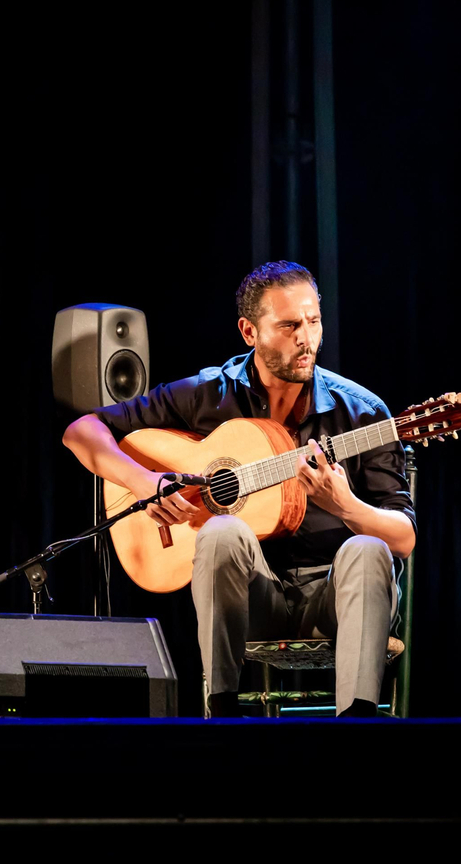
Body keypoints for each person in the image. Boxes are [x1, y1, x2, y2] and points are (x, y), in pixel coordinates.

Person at [62, 261, 414, 718]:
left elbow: (403, 537)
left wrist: (345, 505)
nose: (306, 339)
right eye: (288, 325)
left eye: (313, 321)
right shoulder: (210, 395)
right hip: (250, 601)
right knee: (220, 532)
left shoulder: (364, 412)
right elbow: (83, 430)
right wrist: (145, 482)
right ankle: (222, 710)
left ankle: (356, 719)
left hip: (338, 598)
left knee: (368, 548)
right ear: (249, 332)